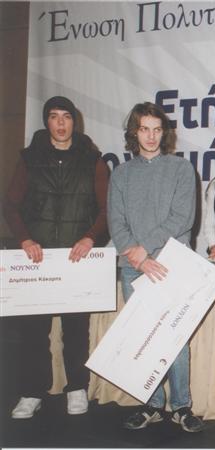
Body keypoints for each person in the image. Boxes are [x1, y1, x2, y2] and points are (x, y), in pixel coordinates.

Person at [3, 96, 109, 419]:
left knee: (76, 330)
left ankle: (77, 388)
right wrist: (25, 239)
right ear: (46, 121)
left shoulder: (92, 159)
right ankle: (32, 392)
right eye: (54, 116)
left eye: (66, 116)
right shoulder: (29, 158)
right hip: (39, 260)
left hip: (77, 259)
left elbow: (107, 209)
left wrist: (91, 237)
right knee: (33, 331)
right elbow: (10, 205)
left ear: (75, 121)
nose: (61, 123)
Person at [107, 102, 204, 433]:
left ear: (165, 133)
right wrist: (138, 256)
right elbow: (116, 221)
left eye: (157, 129)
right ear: (134, 133)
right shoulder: (121, 174)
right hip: (134, 266)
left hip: (171, 265)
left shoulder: (181, 169)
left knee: (175, 338)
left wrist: (145, 249)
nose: (151, 136)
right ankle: (150, 404)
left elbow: (182, 217)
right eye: (144, 129)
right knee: (143, 339)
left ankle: (181, 406)